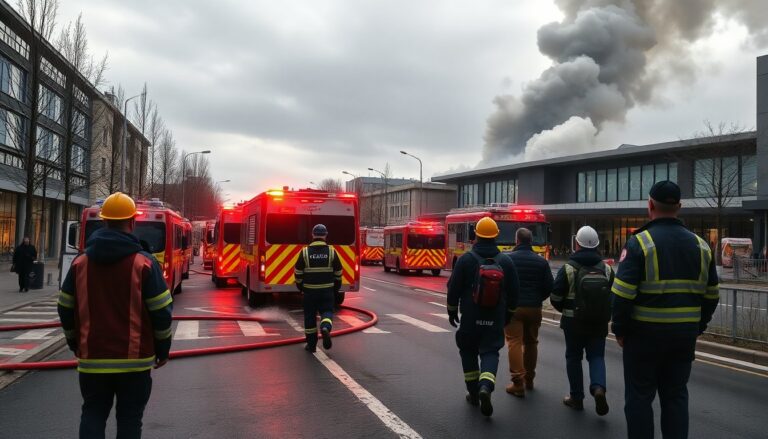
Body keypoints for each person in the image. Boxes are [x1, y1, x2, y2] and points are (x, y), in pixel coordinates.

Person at [57, 192, 173, 439]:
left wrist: (75, 342)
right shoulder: (144, 264)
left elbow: (65, 307)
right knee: (130, 419)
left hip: (93, 360)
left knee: (93, 414)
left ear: (104, 221)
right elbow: (162, 312)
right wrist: (162, 350)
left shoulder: (80, 263)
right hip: (135, 362)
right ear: (132, 222)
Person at [611, 181, 719, 439]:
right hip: (683, 338)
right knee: (676, 397)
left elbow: (622, 297)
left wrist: (620, 330)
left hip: (643, 337)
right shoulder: (702, 246)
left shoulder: (640, 243)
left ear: (650, 205)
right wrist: (696, 327)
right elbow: (712, 297)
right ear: (679, 207)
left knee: (639, 398)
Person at [447, 217, 519, 417]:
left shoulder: (466, 259)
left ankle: (473, 393)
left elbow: (453, 288)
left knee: (468, 351)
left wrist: (452, 310)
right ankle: (486, 387)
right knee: (490, 352)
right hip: (495, 316)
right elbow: (514, 293)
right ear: (495, 235)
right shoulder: (506, 261)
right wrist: (508, 315)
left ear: (476, 235)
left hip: (470, 316)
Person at [550, 225, 614, 416]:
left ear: (576, 244)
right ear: (596, 245)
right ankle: (599, 387)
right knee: (596, 357)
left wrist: (565, 310)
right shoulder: (608, 269)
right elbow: (612, 296)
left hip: (573, 322)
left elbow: (555, 297)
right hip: (599, 323)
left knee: (573, 358)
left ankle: (576, 398)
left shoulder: (569, 268)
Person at [503, 227, 553, 397]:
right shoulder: (541, 262)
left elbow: (502, 284)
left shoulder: (507, 259)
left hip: (514, 308)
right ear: (531, 241)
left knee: (514, 341)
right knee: (531, 343)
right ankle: (529, 379)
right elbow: (549, 287)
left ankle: (517, 382)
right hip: (534, 307)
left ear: (516, 241)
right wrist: (537, 298)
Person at [294, 224, 343, 353]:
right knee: (327, 312)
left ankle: (311, 345)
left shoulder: (304, 252)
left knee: (309, 317)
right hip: (327, 291)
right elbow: (338, 273)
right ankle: (325, 327)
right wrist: (335, 288)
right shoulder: (332, 252)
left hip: (309, 292)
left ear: (313, 235)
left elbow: (298, 273)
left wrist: (301, 286)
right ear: (325, 235)